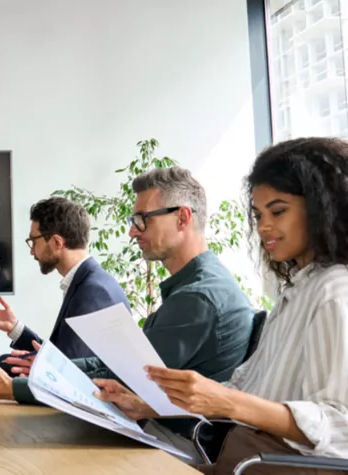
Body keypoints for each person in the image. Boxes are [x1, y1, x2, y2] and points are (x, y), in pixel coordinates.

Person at [0, 167, 253, 453]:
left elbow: (126, 379)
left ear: (183, 218)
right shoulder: (192, 288)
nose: (133, 232)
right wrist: (36, 369)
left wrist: (14, 388)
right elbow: (114, 365)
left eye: (142, 219)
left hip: (173, 444)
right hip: (160, 430)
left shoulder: (198, 297)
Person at [96, 138, 348, 474]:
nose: (263, 227)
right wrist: (148, 406)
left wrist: (228, 401)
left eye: (278, 211)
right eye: (258, 215)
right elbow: (240, 388)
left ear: (321, 208)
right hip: (243, 457)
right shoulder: (296, 292)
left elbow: (340, 426)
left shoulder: (334, 292)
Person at [0, 197, 130, 371]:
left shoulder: (93, 291)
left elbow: (64, 372)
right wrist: (15, 328)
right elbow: (60, 356)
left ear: (56, 242)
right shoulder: (89, 281)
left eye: (33, 241)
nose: (31, 251)